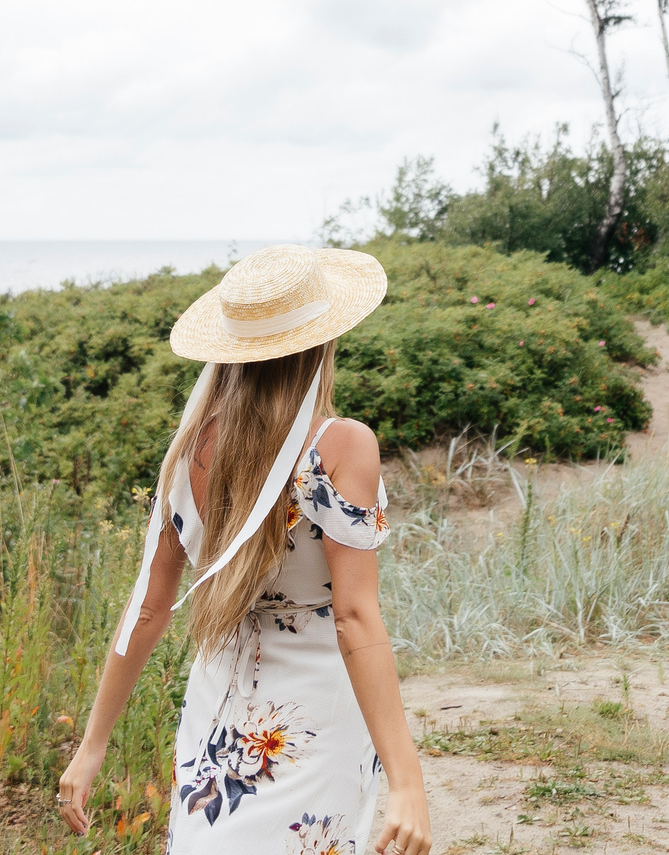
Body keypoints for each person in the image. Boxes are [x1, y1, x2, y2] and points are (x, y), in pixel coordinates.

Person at [58, 245, 433, 855]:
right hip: (312, 716)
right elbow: (354, 615)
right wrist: (408, 782)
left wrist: (92, 743)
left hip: (220, 706)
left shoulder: (191, 452)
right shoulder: (342, 446)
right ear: (321, 342)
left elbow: (148, 608)